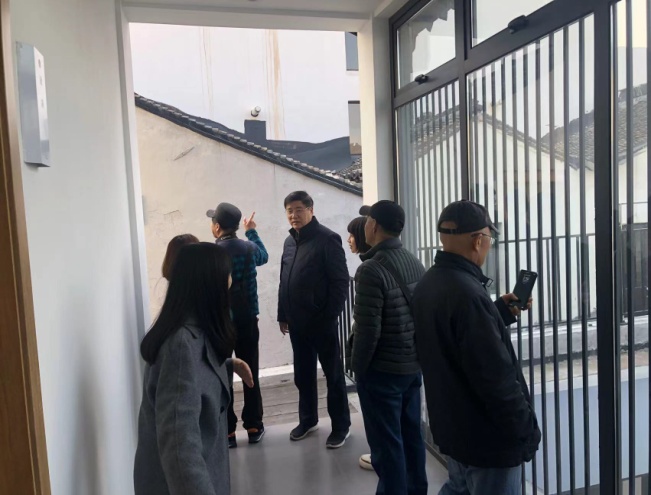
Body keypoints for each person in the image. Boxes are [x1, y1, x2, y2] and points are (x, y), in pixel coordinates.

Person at [412, 200, 541, 495]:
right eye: (489, 238)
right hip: (487, 439)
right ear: (478, 240)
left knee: (458, 487)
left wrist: (497, 311)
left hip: (453, 426)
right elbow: (496, 377)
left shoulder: (430, 283)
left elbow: (453, 341)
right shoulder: (469, 295)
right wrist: (525, 431)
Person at [134, 242, 254, 495]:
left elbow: (192, 378)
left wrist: (228, 366)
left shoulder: (193, 331)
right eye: (226, 275)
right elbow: (180, 450)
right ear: (209, 284)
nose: (230, 281)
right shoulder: (180, 345)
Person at [351, 200, 428, 495]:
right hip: (411, 366)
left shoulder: (371, 269)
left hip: (382, 371)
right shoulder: (413, 260)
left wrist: (359, 369)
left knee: (386, 446)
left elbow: (368, 330)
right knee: (412, 438)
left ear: (373, 225)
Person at [277, 191, 352, 448]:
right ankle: (308, 420)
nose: (293, 215)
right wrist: (283, 314)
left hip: (322, 323)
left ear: (311, 209)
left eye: (299, 209)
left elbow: (340, 282)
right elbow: (284, 280)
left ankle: (341, 426)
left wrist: (328, 316)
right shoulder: (289, 242)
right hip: (296, 323)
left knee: (333, 375)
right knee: (303, 374)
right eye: (289, 211)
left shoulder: (327, 239)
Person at [207, 202, 269, 448]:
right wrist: (251, 231)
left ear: (217, 227)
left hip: (221, 324)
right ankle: (254, 426)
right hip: (247, 320)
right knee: (250, 370)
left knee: (223, 372)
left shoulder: (211, 254)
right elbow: (264, 256)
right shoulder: (249, 248)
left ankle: (228, 431)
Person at [345, 207, 374, 472]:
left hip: (379, 363)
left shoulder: (369, 270)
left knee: (381, 421)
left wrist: (358, 363)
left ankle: (382, 459)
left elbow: (367, 326)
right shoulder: (404, 260)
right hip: (404, 361)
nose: (349, 240)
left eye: (352, 235)